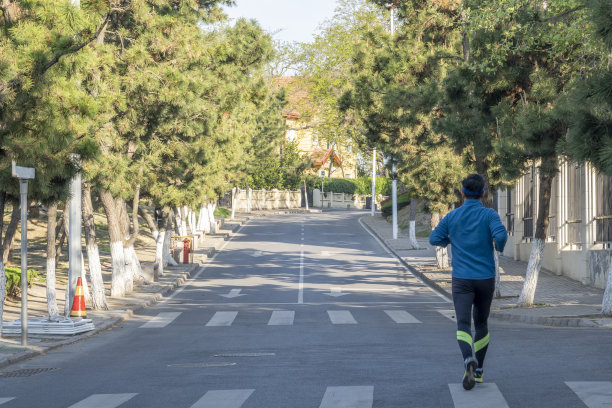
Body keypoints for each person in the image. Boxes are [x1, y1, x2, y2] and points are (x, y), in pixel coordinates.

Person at [429, 174, 507, 390]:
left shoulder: (452, 216)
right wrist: (498, 247)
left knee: (463, 324)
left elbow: (434, 239)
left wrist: (451, 239)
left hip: (461, 279)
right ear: (483, 193)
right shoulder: (489, 214)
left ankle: (467, 359)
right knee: (481, 323)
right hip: (485, 278)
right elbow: (501, 235)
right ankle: (479, 370)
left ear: (462, 193)